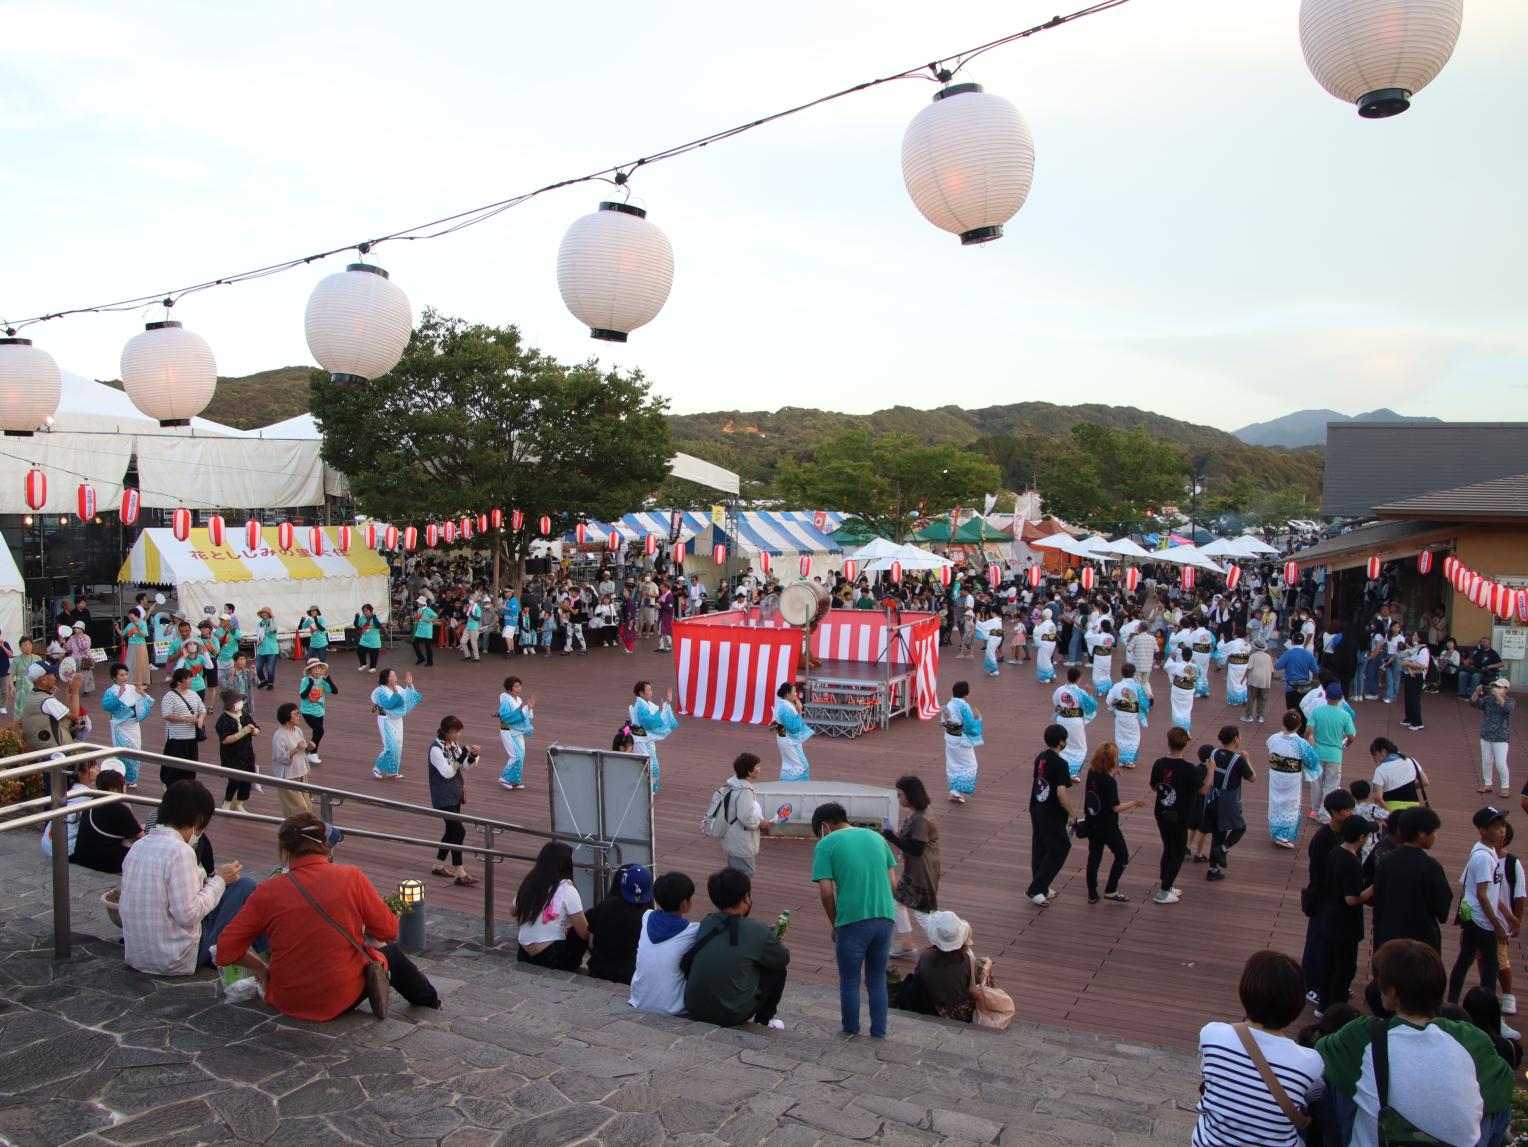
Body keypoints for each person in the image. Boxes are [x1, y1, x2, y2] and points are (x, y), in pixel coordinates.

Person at [215, 813, 440, 1020]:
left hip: (288, 997)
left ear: (285, 850)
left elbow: (225, 949)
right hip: (339, 994)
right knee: (393, 956)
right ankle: (432, 1005)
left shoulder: (267, 891)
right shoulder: (350, 877)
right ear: (325, 845)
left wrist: (261, 969)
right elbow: (388, 931)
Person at [1317, 940, 1513, 1147]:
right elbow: (1503, 1085)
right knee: (1497, 1101)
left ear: (1392, 993)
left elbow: (1322, 1050)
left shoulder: (1365, 1033)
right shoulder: (1471, 1039)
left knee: (1328, 1079)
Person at [119, 780, 255, 976]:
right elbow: (188, 915)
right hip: (174, 958)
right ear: (199, 820)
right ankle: (266, 956)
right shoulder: (181, 852)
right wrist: (220, 881)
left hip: (138, 954)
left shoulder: (138, 847)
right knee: (245, 886)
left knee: (230, 891)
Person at [1192, 949, 1324, 1147]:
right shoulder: (1310, 1062)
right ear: (1297, 1003)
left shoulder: (1213, 1035)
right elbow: (1313, 1096)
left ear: (1245, 991)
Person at [811, 801, 898, 1038]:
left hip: (852, 920)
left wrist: (834, 924)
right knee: (877, 979)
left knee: (849, 981)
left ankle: (851, 1031)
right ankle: (878, 1033)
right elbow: (893, 884)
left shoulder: (826, 844)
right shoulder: (877, 838)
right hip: (885, 917)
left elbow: (827, 892)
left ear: (824, 826)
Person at [682, 866, 790, 1029]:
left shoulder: (707, 922)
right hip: (730, 1015)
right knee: (777, 970)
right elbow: (783, 958)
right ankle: (764, 1021)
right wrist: (773, 940)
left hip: (694, 1007)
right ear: (746, 897)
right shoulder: (757, 930)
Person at [1448, 806, 1512, 1007]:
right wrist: (1498, 925)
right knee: (1491, 966)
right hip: (1480, 919)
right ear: (1483, 830)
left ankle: (1452, 1001)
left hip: (1471, 915)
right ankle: (1489, 1009)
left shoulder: (1486, 849)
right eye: (1495, 826)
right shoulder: (1483, 857)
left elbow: (1489, 890)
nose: (1502, 830)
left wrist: (1508, 915)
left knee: (1465, 958)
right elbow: (1483, 895)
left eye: (1503, 825)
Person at [1300, 789, 1356, 1007]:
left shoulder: (1345, 833)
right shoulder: (1323, 838)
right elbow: (1319, 873)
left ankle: (1333, 982)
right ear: (1334, 812)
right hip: (1323, 898)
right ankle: (1312, 985)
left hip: (1338, 899)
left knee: (1333, 944)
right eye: (1347, 810)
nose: (1351, 813)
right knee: (1317, 942)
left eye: (1352, 809)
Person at [1370, 806, 1452, 954]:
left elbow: (1374, 895)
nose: (1436, 836)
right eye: (1433, 832)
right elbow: (1442, 907)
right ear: (1421, 834)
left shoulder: (1386, 860)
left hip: (1387, 940)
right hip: (1420, 943)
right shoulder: (1430, 866)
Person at [1318, 816, 1375, 1015]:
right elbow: (1352, 899)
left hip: (1329, 918)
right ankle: (1337, 1009)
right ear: (1361, 838)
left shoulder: (1334, 853)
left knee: (1329, 964)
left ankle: (1323, 1005)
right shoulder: (1351, 862)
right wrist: (1373, 888)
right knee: (1344, 968)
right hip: (1345, 924)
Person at [896, 911, 996, 1023]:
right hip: (961, 1012)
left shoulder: (925, 957)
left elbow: (919, 978)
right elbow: (976, 986)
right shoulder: (968, 961)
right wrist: (988, 965)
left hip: (933, 1006)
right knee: (985, 972)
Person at [628, 871, 700, 1015]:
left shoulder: (646, 917)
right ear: (684, 903)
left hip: (638, 1001)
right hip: (672, 1009)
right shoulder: (692, 931)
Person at [883, 775, 940, 955]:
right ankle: (907, 942)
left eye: (900, 794)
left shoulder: (920, 818)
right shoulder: (919, 812)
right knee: (897, 902)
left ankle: (941, 946)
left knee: (922, 912)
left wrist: (891, 837)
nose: (898, 798)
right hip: (917, 868)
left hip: (921, 870)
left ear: (910, 795)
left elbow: (916, 848)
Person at [513, 841, 590, 970]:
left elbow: (513, 910)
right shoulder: (567, 889)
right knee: (585, 923)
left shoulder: (529, 884)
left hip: (524, 954)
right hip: (551, 957)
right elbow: (584, 933)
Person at [1082, 742, 1143, 904]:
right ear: (1111, 761)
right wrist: (1135, 803)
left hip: (1092, 822)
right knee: (1122, 855)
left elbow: (1098, 793)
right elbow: (1114, 807)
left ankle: (1092, 893)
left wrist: (1112, 774)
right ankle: (1111, 889)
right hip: (1108, 826)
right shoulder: (1109, 783)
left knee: (1094, 858)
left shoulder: (1091, 773)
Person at [1149, 727, 1201, 905]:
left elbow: (1154, 786)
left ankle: (1167, 884)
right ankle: (1163, 892)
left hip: (1161, 812)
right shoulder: (1189, 768)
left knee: (1168, 848)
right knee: (1177, 852)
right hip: (1180, 815)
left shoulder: (1159, 763)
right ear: (1185, 744)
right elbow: (1202, 789)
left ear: (1168, 742)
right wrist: (1210, 772)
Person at [1026, 724, 1075, 906]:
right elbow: (1061, 792)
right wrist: (1071, 813)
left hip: (1036, 807)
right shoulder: (1060, 764)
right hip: (1051, 812)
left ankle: (1042, 886)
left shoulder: (1040, 758)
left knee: (1041, 847)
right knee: (1060, 848)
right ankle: (1036, 888)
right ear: (1061, 741)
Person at [428, 715, 480, 886]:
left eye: (459, 731)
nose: (458, 734)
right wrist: (462, 756)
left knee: (451, 831)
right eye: (455, 731)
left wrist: (471, 756)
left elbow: (465, 766)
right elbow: (447, 772)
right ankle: (460, 872)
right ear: (445, 731)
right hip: (443, 796)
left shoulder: (453, 745)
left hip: (454, 794)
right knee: (459, 831)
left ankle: (438, 865)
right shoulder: (436, 750)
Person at [1204, 725, 1257, 883]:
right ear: (1235, 739)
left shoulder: (1212, 753)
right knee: (1240, 828)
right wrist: (1247, 759)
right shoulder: (1238, 760)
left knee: (1217, 833)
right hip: (1227, 800)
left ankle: (1212, 869)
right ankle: (1223, 849)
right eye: (1240, 736)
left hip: (1211, 798)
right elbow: (1253, 778)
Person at [585, 864, 653, 984]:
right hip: (630, 976)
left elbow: (591, 943)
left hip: (598, 970)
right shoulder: (648, 917)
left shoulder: (602, 906)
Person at [70, 766, 142, 873]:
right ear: (113, 789)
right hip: (104, 863)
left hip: (82, 857)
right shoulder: (120, 809)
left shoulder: (91, 802)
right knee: (140, 850)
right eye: (123, 785)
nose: (125, 788)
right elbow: (141, 836)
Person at [1265, 709, 1319, 848]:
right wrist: (1311, 746)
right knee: (1290, 804)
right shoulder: (1301, 743)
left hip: (1276, 775)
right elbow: (1312, 761)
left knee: (1276, 802)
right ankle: (1284, 835)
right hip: (1291, 777)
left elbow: (1269, 748)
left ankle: (1276, 832)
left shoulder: (1273, 738)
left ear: (1283, 723)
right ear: (1299, 725)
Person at [709, 752, 769, 875]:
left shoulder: (732, 785)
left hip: (732, 836)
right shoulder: (745, 791)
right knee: (745, 873)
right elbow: (745, 817)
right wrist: (760, 823)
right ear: (749, 772)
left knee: (734, 871)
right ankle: (740, 895)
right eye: (757, 766)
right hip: (742, 840)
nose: (759, 769)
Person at [100, 662, 153, 789]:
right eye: (121, 675)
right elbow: (106, 706)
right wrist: (117, 697)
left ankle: (133, 778)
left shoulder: (132, 688)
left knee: (135, 750)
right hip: (120, 726)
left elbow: (149, 701)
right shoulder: (111, 691)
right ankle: (120, 777)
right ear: (114, 677)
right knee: (122, 752)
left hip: (133, 724)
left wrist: (142, 693)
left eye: (125, 674)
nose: (124, 677)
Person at [1307, 683, 1356, 814]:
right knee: (1331, 785)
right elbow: (1351, 737)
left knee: (1316, 784)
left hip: (1317, 751)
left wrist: (1310, 739)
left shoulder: (1317, 712)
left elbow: (1309, 731)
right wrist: (1345, 744)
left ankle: (1315, 809)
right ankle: (1325, 811)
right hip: (1335, 754)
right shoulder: (1345, 715)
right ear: (1341, 697)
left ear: (1326, 696)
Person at [369, 668, 422, 780]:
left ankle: (392, 771)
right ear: (386, 678)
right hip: (386, 720)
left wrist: (409, 684)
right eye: (392, 676)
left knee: (398, 745)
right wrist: (396, 695)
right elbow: (388, 705)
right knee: (390, 746)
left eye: (395, 675)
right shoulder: (380, 691)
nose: (395, 678)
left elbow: (408, 698)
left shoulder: (398, 688)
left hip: (397, 720)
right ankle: (377, 768)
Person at [629, 680, 679, 796]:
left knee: (649, 765)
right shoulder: (641, 706)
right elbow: (649, 722)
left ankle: (647, 788)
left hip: (645, 738)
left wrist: (666, 703)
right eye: (648, 690)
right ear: (641, 693)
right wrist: (661, 711)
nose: (651, 693)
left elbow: (657, 712)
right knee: (650, 765)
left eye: (651, 690)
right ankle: (645, 789)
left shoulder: (646, 704)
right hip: (640, 739)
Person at [158, 667, 205, 787]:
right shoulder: (169, 696)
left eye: (190, 678)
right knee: (174, 767)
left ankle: (188, 788)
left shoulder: (194, 694)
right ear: (179, 681)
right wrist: (185, 719)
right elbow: (166, 715)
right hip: (176, 738)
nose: (190, 681)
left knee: (190, 766)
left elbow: (202, 709)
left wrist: (200, 719)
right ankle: (170, 787)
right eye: (187, 678)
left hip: (191, 737)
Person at [215, 688, 260, 813]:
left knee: (247, 780)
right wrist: (243, 732)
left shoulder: (244, 715)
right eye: (237, 701)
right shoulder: (223, 720)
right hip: (232, 755)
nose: (240, 703)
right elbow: (225, 739)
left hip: (247, 754)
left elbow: (256, 727)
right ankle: (227, 802)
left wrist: (255, 731)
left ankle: (239, 803)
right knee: (234, 780)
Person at [269, 702, 316, 819]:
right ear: (287, 716)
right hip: (288, 776)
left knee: (308, 806)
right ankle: (294, 831)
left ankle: (304, 831)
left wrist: (308, 749)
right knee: (298, 807)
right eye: (295, 714)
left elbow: (302, 752)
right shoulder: (279, 735)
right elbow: (279, 758)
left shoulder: (298, 730)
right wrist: (296, 749)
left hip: (301, 772)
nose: (298, 716)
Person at [940, 680, 983, 802]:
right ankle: (956, 789)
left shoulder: (948, 704)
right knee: (971, 765)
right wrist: (978, 718)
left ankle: (953, 791)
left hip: (949, 737)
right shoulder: (963, 706)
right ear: (966, 694)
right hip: (960, 739)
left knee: (953, 764)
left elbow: (944, 722)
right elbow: (969, 726)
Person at [1472, 677, 1514, 798]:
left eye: (1499, 687)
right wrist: (1476, 692)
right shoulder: (1488, 699)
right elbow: (1473, 703)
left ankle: (1505, 787)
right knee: (1486, 761)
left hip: (1501, 737)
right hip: (1486, 735)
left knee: (1501, 763)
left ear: (1506, 689)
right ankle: (1488, 784)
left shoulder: (1510, 700)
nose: (1495, 689)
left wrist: (1497, 696)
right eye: (1495, 686)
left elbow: (1507, 709)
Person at [1051, 667, 1097, 778]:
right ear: (1078, 678)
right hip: (1075, 722)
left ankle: (1063, 771)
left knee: (1063, 744)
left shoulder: (1060, 690)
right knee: (1080, 746)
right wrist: (1090, 694)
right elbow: (1092, 706)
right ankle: (1071, 772)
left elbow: (1055, 702)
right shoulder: (1081, 692)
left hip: (1062, 720)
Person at [1105, 663, 1150, 769]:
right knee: (1133, 737)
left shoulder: (1117, 686)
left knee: (1120, 736)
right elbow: (1144, 704)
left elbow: (1108, 701)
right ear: (1134, 673)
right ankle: (1129, 760)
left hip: (1120, 715)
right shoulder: (1137, 686)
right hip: (1132, 715)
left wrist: (1116, 702)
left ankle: (1121, 760)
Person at [1368, 736, 1428, 812]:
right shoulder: (1411, 761)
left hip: (1393, 809)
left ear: (1383, 751)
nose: (1375, 759)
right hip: (1413, 810)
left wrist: (1389, 812)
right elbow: (1425, 782)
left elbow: (1377, 797)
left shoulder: (1381, 769)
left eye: (1375, 755)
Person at [496, 676, 536, 790]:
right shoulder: (505, 701)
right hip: (507, 730)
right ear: (509, 689)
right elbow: (504, 717)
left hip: (517, 731)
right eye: (516, 686)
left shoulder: (518, 700)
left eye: (519, 686)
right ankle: (504, 778)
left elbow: (524, 714)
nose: (518, 688)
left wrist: (528, 707)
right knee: (515, 756)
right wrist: (519, 711)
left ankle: (514, 780)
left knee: (521, 755)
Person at [771, 681, 813, 782]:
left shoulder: (782, 705)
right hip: (789, 741)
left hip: (784, 739)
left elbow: (774, 724)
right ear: (787, 694)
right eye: (794, 692)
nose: (796, 694)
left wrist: (783, 736)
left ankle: (787, 790)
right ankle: (796, 791)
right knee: (801, 766)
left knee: (789, 765)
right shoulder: (786, 707)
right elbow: (794, 728)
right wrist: (799, 711)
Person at [296, 658, 335, 765]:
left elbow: (335, 691)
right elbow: (303, 696)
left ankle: (312, 753)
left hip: (320, 711)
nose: (317, 670)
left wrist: (329, 680)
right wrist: (310, 684)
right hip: (307, 711)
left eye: (318, 667)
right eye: (314, 668)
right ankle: (311, 752)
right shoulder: (305, 680)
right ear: (310, 670)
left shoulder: (322, 680)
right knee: (320, 730)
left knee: (316, 732)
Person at [1272, 641, 1319, 731]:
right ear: (1303, 641)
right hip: (1305, 686)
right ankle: (1302, 730)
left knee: (1292, 710)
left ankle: (1292, 729)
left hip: (1291, 686)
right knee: (1304, 709)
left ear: (1293, 642)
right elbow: (1316, 669)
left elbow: (1278, 666)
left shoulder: (1288, 653)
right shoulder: (1308, 654)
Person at [1398, 632, 1430, 731]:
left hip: (1417, 676)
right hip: (1410, 674)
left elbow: (1422, 665)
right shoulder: (1416, 648)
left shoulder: (1423, 650)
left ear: (1419, 638)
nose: (1413, 637)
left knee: (1414, 699)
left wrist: (1407, 663)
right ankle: (1409, 718)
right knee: (1408, 698)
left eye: (1415, 635)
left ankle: (1418, 722)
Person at [1167, 646, 1200, 735]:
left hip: (1178, 689)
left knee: (1176, 709)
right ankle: (1186, 731)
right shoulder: (1194, 667)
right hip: (1189, 690)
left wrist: (1170, 657)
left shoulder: (1177, 665)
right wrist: (1195, 664)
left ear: (1182, 655)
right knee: (1187, 710)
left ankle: (1178, 730)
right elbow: (1198, 676)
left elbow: (1167, 667)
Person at [253, 606, 280, 691]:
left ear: (269, 614)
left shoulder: (273, 623)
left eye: (265, 612)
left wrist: (271, 620)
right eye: (262, 613)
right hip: (261, 649)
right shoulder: (261, 623)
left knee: (270, 668)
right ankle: (264, 681)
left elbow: (272, 630)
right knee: (258, 667)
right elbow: (258, 634)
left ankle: (270, 683)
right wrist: (259, 640)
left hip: (271, 649)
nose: (263, 614)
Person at [353, 603, 384, 673]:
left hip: (374, 640)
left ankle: (373, 667)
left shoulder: (376, 617)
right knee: (360, 651)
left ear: (371, 611)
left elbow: (378, 626)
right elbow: (357, 625)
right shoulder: (362, 618)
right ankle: (363, 663)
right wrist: (356, 617)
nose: (365, 612)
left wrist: (374, 617)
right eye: (363, 611)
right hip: (364, 639)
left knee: (373, 655)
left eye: (366, 611)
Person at [1033, 608, 1058, 684]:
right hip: (1052, 643)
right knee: (1047, 659)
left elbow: (1037, 632)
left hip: (1044, 644)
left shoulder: (1044, 624)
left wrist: (1036, 625)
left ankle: (1045, 677)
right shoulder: (1052, 624)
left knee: (1042, 660)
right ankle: (1052, 675)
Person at [412, 595, 438, 666]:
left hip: (427, 630)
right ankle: (421, 658)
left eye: (418, 602)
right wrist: (416, 617)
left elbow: (436, 615)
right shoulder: (419, 609)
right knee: (415, 643)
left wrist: (430, 620)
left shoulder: (428, 610)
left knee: (427, 646)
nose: (417, 604)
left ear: (422, 603)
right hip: (420, 630)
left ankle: (430, 662)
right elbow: (419, 617)